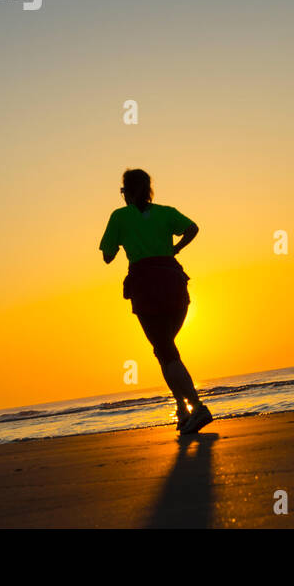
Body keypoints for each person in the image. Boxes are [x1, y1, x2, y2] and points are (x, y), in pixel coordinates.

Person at [99, 169, 213, 435]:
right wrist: (176, 248)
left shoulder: (120, 216)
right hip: (173, 282)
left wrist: (121, 243)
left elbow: (107, 256)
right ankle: (183, 411)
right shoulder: (165, 212)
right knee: (165, 349)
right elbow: (193, 228)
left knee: (165, 350)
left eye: (123, 191)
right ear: (149, 189)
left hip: (146, 287)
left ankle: (197, 407)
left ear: (127, 191)